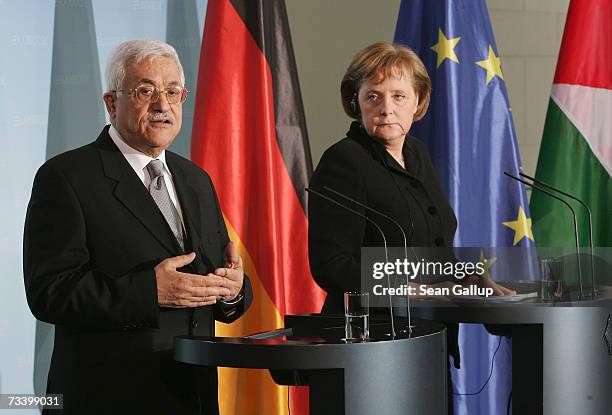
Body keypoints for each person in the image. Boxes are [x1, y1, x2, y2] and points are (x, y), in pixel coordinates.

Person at [23, 39, 252, 415]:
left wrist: (231, 290)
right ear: (111, 103)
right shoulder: (66, 177)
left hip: (191, 396)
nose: (163, 105)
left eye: (173, 91)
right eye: (146, 90)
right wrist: (150, 291)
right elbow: (49, 292)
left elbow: (218, 281)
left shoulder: (196, 179)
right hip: (106, 397)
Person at [307, 42, 512, 412]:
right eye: (373, 96)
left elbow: (431, 244)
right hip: (370, 348)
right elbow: (331, 266)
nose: (386, 108)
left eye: (399, 95)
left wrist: (469, 276)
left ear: (418, 102)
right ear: (356, 102)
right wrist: (405, 287)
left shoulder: (417, 154)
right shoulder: (343, 161)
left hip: (427, 338)